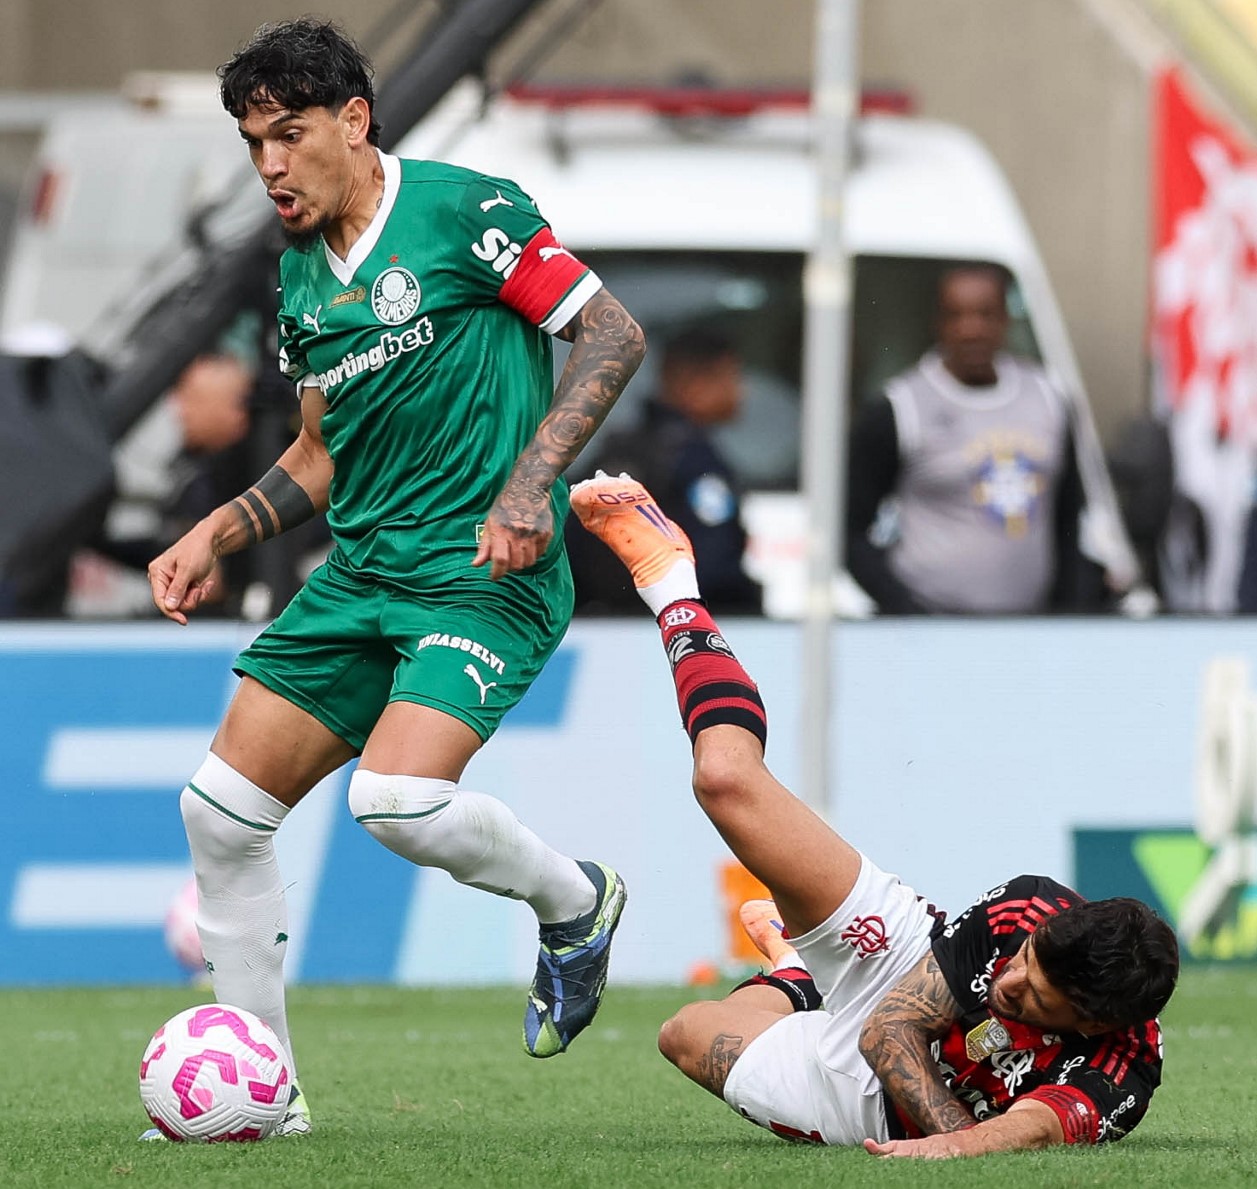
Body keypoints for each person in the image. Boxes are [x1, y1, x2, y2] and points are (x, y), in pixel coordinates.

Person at [142, 19, 644, 1136]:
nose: (270, 166)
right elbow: (321, 454)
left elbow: (611, 335)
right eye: (252, 143)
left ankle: (576, 902)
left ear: (355, 122)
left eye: (290, 135)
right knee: (218, 815)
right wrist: (219, 531)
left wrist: (530, 485)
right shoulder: (298, 279)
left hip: (484, 575)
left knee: (395, 799)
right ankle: (263, 1104)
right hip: (362, 573)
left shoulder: (468, 210)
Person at [569, 471, 1179, 1158]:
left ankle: (792, 973)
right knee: (723, 780)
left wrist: (940, 1143)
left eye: (1037, 997)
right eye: (1024, 964)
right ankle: (672, 583)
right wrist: (954, 1138)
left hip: (867, 1102)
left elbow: (1027, 1128)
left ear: (1094, 1023)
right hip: (905, 968)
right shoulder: (1027, 908)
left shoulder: (1119, 1076)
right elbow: (887, 1026)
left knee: (684, 1031)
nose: (1010, 982)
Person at [847, 263, 1104, 614]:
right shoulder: (902, 407)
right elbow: (849, 530)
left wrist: (1069, 607)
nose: (971, 330)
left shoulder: (1048, 398)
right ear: (937, 323)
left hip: (1030, 626)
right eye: (957, 316)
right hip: (931, 623)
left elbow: (1069, 516)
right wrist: (904, 610)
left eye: (986, 314)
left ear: (1005, 320)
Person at [566, 328, 761, 614]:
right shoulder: (692, 459)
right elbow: (714, 565)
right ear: (693, 384)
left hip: (608, 619)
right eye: (730, 377)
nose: (741, 391)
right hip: (683, 619)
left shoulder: (622, 448)